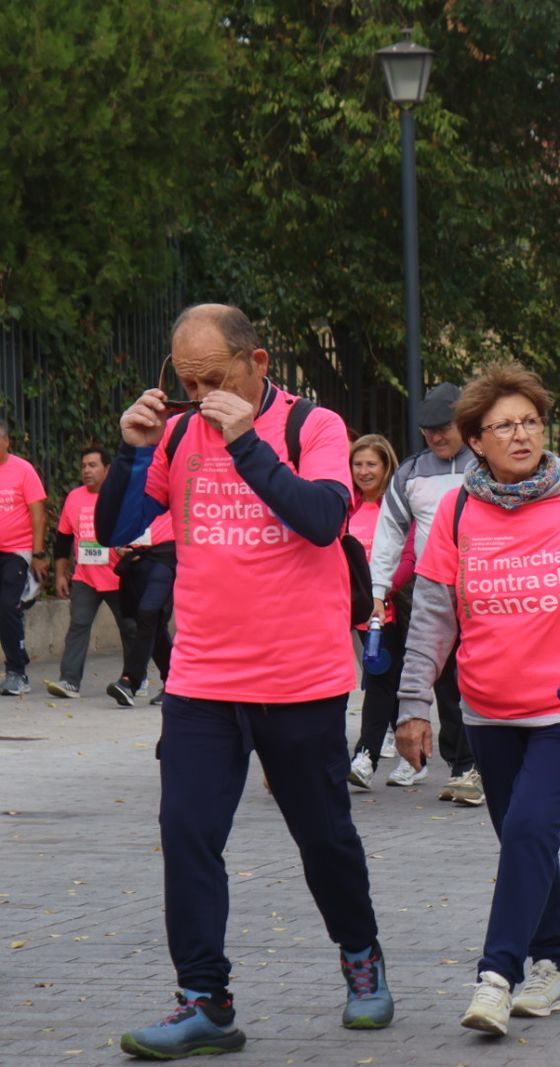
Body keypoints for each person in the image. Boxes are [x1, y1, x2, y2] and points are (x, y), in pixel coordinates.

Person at [98, 304, 391, 1058]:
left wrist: (246, 441)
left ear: (256, 362)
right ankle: (205, 998)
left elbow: (323, 517)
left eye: (214, 378)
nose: (199, 395)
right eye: (185, 381)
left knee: (322, 836)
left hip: (300, 678)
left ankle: (361, 956)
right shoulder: (175, 434)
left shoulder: (312, 428)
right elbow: (118, 527)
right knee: (187, 831)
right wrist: (133, 453)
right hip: (201, 675)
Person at [391, 363, 560, 1036]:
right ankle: (554, 967)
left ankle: (497, 977)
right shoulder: (454, 510)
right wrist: (414, 703)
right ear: (475, 439)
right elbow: (432, 614)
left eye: (531, 420)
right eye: (505, 424)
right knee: (523, 836)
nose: (522, 433)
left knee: (532, 826)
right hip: (488, 704)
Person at [368, 383, 482, 806]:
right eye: (428, 430)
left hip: (483, 588)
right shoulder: (411, 474)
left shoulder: (487, 464)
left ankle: (480, 762)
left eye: (444, 427)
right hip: (432, 590)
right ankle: (463, 766)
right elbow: (389, 533)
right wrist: (378, 590)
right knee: (447, 683)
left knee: (478, 679)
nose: (437, 437)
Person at [346, 434, 422, 789]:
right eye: (358, 464)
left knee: (380, 680)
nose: (364, 471)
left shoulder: (397, 508)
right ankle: (415, 758)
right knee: (386, 682)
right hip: (357, 609)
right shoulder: (347, 507)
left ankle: (365, 756)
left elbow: (406, 554)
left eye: (371, 464)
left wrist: (385, 591)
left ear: (386, 466)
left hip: (393, 607)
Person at [43, 447, 137, 701]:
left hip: (119, 577)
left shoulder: (120, 495)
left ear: (107, 469)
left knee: (130, 628)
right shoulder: (74, 497)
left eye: (93, 465)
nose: (86, 470)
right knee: (78, 626)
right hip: (85, 577)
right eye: (84, 465)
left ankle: (134, 679)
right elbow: (62, 540)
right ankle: (69, 681)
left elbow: (139, 532)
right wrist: (61, 575)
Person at [0, 417, 48, 696]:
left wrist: (38, 553)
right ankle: (19, 654)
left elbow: (38, 514)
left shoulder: (23, 470)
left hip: (17, 551)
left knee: (7, 606)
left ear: (7, 441)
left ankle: (18, 673)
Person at [112, 510, 177, 706]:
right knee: (152, 623)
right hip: (137, 557)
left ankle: (130, 681)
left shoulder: (180, 482)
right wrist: (118, 545)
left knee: (149, 612)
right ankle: (174, 682)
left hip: (167, 555)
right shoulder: (135, 485)